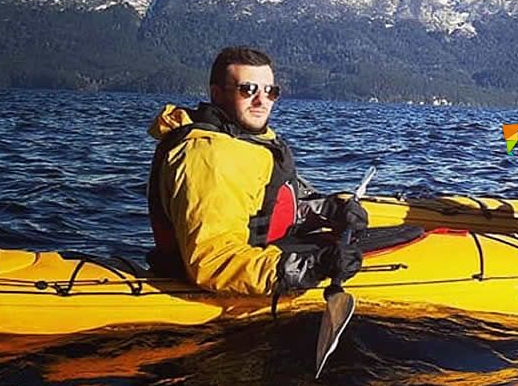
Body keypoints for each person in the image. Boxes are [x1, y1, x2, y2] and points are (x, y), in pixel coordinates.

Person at [146, 46, 367, 295]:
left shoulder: (247, 142)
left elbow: (269, 203)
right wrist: (312, 268)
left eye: (270, 91)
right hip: (232, 280)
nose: (261, 101)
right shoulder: (211, 157)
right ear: (217, 94)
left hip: (262, 252)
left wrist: (332, 209)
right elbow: (214, 262)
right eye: (247, 90)